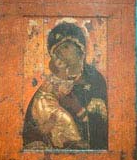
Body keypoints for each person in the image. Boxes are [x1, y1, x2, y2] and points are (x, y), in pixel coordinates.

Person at [23, 22, 108, 150]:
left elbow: (104, 126)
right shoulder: (50, 85)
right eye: (57, 51)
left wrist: (77, 108)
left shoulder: (95, 80)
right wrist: (45, 128)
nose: (61, 53)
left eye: (66, 47)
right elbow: (30, 130)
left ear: (80, 49)